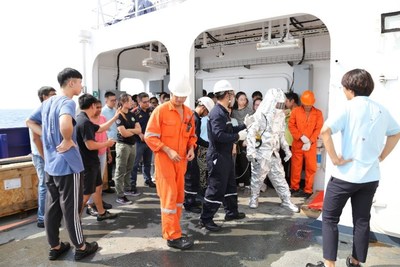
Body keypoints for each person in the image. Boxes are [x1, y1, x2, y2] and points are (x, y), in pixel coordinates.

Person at [306, 69, 400, 267]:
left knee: (330, 218)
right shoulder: (381, 109)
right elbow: (396, 133)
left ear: (349, 89)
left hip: (344, 177)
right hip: (370, 178)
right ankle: (355, 262)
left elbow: (325, 131)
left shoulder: (348, 108)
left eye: (344, 88)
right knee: (362, 221)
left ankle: (330, 265)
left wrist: (335, 159)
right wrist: (382, 155)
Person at [26, 68, 98, 261]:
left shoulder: (47, 102)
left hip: (51, 164)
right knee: (71, 208)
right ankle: (81, 247)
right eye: (80, 82)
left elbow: (29, 121)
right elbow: (66, 123)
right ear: (72, 82)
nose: (81, 86)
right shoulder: (67, 102)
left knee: (52, 207)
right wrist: (66, 139)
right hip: (68, 165)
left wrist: (47, 136)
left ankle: (55, 246)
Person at [145, 74, 197, 250]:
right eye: (177, 96)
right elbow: (149, 136)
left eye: (183, 96)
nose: (180, 99)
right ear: (171, 93)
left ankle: (175, 229)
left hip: (181, 162)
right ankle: (172, 236)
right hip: (165, 161)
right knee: (169, 198)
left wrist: (191, 149)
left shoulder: (188, 113)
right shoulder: (160, 111)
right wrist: (167, 149)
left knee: (179, 198)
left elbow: (192, 136)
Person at [199, 80, 249, 232]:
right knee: (216, 188)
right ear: (227, 95)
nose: (232, 97)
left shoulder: (223, 111)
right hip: (218, 156)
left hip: (225, 155)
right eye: (232, 94)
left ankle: (231, 212)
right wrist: (237, 137)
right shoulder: (217, 112)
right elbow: (219, 135)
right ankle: (206, 219)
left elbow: (229, 129)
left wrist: (244, 125)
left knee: (229, 185)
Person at [246, 88, 298, 212]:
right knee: (257, 178)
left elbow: (281, 135)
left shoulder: (280, 117)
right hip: (261, 153)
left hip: (274, 153)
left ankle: (286, 200)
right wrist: (251, 151)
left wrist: (286, 150)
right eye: (278, 104)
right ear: (271, 102)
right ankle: (253, 198)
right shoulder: (259, 115)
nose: (280, 107)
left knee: (279, 177)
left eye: (282, 104)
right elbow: (251, 133)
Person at [76, 93, 118, 221]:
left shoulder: (81, 119)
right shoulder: (85, 122)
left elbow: (100, 128)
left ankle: (101, 212)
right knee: (86, 194)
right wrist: (107, 143)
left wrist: (116, 117)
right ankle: (75, 221)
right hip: (88, 163)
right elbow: (90, 145)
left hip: (92, 162)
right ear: (93, 105)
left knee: (97, 188)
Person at [28, 86, 56, 228]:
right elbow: (36, 138)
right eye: (52, 94)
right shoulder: (38, 114)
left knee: (50, 185)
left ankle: (50, 214)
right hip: (41, 156)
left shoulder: (49, 112)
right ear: (44, 97)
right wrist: (46, 157)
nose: (55, 96)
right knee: (44, 185)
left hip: (49, 155)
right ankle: (41, 218)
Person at [289, 90, 323, 198]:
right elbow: (291, 126)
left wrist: (310, 140)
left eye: (310, 104)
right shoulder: (295, 111)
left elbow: (318, 129)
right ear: (302, 102)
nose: (308, 106)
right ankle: (294, 188)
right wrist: (300, 136)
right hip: (298, 143)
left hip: (311, 145)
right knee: (296, 167)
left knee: (311, 168)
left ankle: (308, 190)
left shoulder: (318, 113)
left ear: (313, 103)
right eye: (306, 104)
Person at [184, 96, 215, 213]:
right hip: (190, 152)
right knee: (191, 177)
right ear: (203, 107)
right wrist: (209, 144)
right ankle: (189, 203)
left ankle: (192, 198)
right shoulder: (195, 119)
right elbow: (194, 138)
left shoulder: (194, 116)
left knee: (194, 175)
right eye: (207, 111)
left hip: (192, 151)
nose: (206, 114)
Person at [114, 93, 142, 204]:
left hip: (132, 144)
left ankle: (127, 189)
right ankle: (120, 195)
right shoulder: (119, 116)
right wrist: (132, 130)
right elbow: (123, 134)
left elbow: (139, 130)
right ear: (124, 102)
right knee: (120, 170)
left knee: (129, 168)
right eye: (130, 101)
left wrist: (129, 130)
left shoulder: (132, 114)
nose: (132, 103)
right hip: (123, 146)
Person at [130, 92, 156, 189]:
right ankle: (132, 184)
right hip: (138, 141)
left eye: (148, 101)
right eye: (144, 102)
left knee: (147, 162)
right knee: (135, 164)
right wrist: (139, 133)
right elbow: (131, 126)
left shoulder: (152, 111)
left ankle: (147, 180)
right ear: (139, 102)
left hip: (149, 141)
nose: (147, 104)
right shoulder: (134, 112)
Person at [231, 91, 253, 188]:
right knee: (237, 161)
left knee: (245, 160)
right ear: (236, 100)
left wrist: (247, 138)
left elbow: (252, 126)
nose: (243, 101)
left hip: (246, 139)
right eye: (241, 99)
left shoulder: (249, 111)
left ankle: (247, 181)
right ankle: (239, 180)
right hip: (235, 138)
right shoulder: (233, 112)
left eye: (245, 99)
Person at [101, 91, 118, 190]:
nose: (114, 102)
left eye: (115, 100)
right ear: (106, 100)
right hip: (108, 139)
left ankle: (110, 180)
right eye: (112, 100)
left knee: (114, 161)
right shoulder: (103, 111)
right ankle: (107, 182)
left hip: (116, 139)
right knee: (108, 162)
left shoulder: (115, 110)